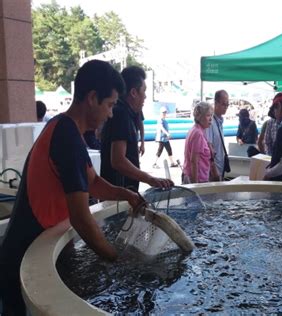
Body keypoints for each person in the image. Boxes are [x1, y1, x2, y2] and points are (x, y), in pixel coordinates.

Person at [0, 60, 144, 315]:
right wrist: (117, 259)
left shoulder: (64, 127)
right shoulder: (68, 138)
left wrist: (126, 194)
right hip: (23, 263)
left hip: (31, 250)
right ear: (92, 98)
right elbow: (81, 218)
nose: (111, 114)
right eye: (109, 105)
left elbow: (93, 183)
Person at [100, 65, 173, 192]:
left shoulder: (127, 113)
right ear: (133, 92)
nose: (145, 96)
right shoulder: (121, 114)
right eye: (144, 91)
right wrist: (151, 179)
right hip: (119, 197)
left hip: (121, 194)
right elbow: (118, 160)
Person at [183, 102, 219, 183]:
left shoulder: (198, 130)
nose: (211, 119)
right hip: (198, 180)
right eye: (208, 115)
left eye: (211, 115)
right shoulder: (198, 133)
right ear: (200, 117)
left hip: (198, 178)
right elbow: (194, 161)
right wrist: (196, 186)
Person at [205, 90, 229, 180]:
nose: (226, 107)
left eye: (227, 104)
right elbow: (209, 148)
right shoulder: (210, 122)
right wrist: (214, 171)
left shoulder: (219, 121)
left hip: (220, 169)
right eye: (223, 104)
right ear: (215, 103)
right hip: (213, 172)